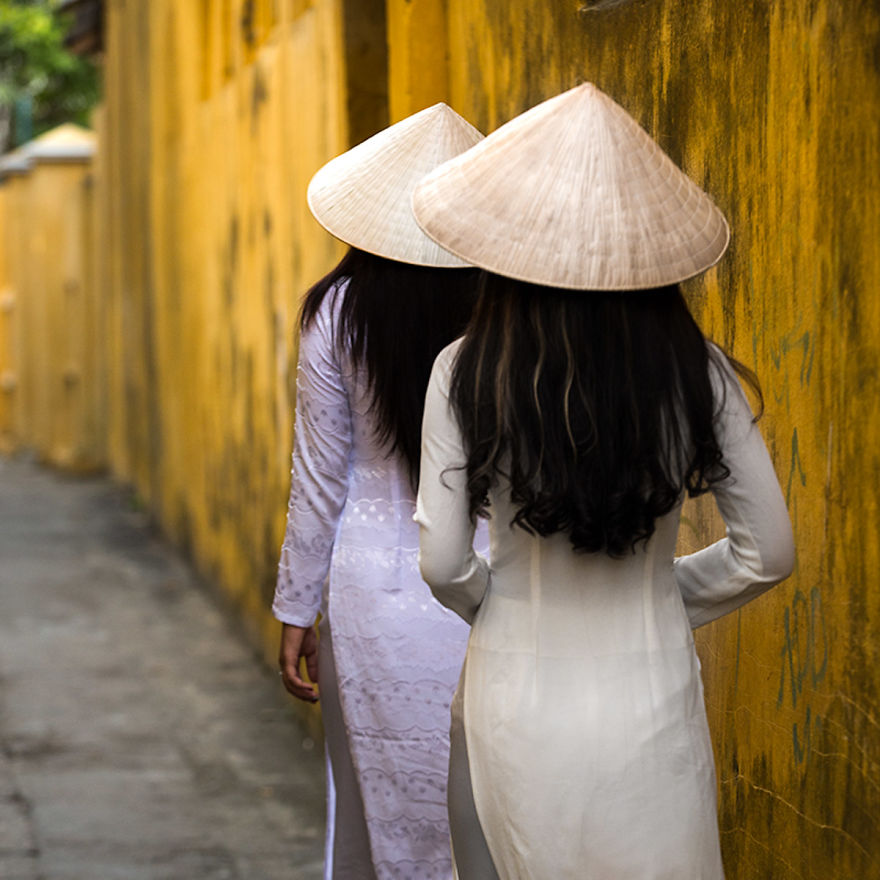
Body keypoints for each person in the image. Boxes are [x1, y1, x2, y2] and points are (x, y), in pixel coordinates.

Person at [411, 83, 795, 879]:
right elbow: (769, 553)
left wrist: (503, 606)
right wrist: (656, 598)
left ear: (510, 246)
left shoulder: (464, 368)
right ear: (645, 256)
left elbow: (443, 565)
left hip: (514, 691)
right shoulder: (698, 372)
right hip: (650, 695)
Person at [272, 104, 484, 880]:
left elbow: (320, 478)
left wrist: (297, 607)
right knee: (485, 811)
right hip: (487, 580)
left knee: (381, 802)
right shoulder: (504, 312)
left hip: (371, 587)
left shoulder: (336, 312)